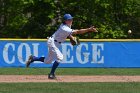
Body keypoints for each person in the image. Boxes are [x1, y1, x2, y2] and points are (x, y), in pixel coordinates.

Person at [26, 14, 98, 79]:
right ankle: (51, 74)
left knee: (47, 61)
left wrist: (71, 37)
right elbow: (78, 32)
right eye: (69, 19)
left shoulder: (67, 26)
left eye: (71, 19)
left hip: (56, 43)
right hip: (52, 42)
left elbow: (68, 34)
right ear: (65, 21)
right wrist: (89, 29)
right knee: (60, 57)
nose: (71, 20)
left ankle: (33, 58)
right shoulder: (64, 27)